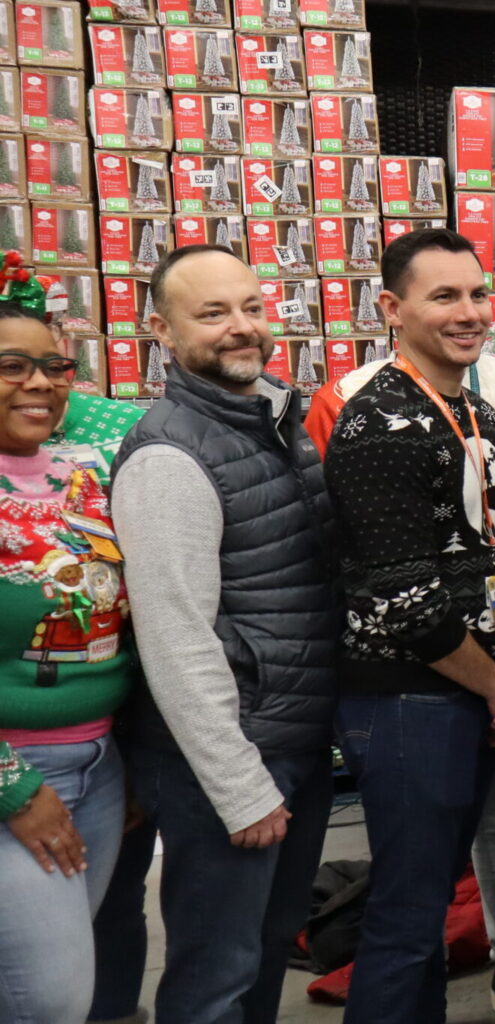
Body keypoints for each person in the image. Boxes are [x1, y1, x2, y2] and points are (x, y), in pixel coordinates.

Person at [304, 262, 495, 1022]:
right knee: (409, 918)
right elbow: (400, 596)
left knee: (427, 902)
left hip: (479, 687)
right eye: (444, 296)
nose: (469, 311)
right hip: (409, 700)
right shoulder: (376, 422)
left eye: (478, 294)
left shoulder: (475, 409)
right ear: (393, 308)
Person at [109, 244, 338, 1024]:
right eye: (212, 314)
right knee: (216, 977)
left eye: (249, 306)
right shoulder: (171, 454)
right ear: (161, 331)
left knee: (266, 950)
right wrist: (240, 787)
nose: (241, 328)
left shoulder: (273, 417)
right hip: (231, 760)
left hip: (290, 739)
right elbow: (175, 639)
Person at [0, 304, 134, 1024]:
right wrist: (13, 789)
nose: (40, 385)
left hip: (101, 766)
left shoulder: (85, 465)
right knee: (50, 1001)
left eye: (53, 367)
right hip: (15, 776)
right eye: (11, 366)